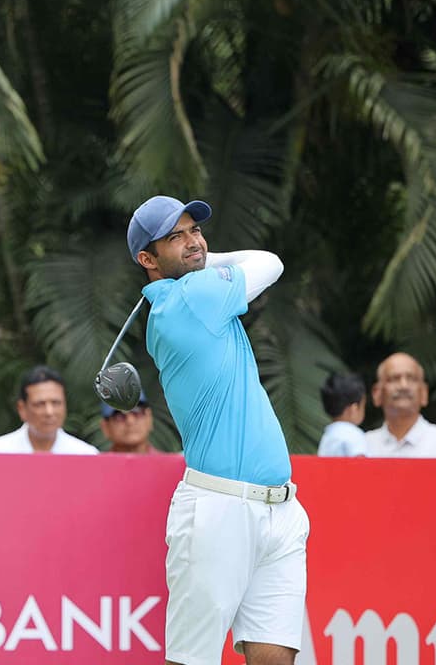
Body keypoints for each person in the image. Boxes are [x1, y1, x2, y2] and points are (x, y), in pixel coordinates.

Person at [129, 195, 308, 665]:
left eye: (195, 231)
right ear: (147, 260)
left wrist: (194, 256)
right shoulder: (190, 299)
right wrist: (206, 260)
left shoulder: (193, 294)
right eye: (176, 237)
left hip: (279, 509)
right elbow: (270, 262)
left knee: (274, 657)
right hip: (219, 508)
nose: (194, 242)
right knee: (192, 660)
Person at [365, 352, 436, 458]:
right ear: (377, 393)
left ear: (424, 393)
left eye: (411, 379)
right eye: (394, 379)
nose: (403, 386)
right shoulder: (363, 445)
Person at [0, 366, 98, 454]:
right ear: (22, 409)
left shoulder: (85, 455)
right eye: (40, 404)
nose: (49, 412)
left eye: (56, 403)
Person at [317, 372, 368, 457]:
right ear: (354, 408)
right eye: (363, 405)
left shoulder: (327, 436)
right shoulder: (353, 434)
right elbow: (360, 462)